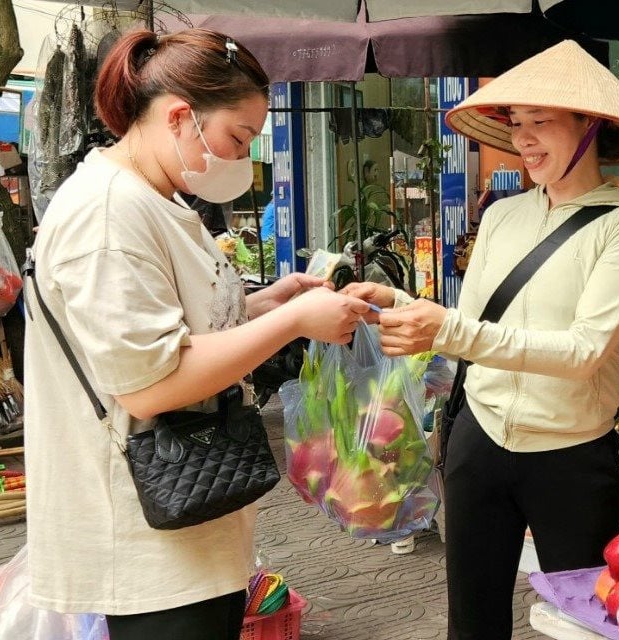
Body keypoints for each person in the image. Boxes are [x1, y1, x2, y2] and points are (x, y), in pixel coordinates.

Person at [22, 29, 370, 640]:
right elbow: (152, 382)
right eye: (239, 138)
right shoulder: (109, 213)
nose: (243, 158)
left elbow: (183, 328)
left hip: (188, 516)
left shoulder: (155, 197)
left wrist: (270, 303)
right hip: (143, 534)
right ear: (180, 116)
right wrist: (291, 322)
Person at [343, 40, 619, 639]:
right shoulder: (501, 214)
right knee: (472, 621)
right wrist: (405, 308)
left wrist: (448, 328)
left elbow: (585, 352)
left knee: (582, 624)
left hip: (571, 455)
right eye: (516, 125)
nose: (522, 140)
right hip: (480, 438)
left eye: (540, 123)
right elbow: (471, 329)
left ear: (592, 126)